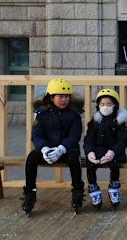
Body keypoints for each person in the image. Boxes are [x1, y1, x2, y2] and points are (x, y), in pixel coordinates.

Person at [21, 78, 85, 215]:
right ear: (51, 97)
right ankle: (29, 194)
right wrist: (44, 149)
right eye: (60, 97)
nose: (64, 100)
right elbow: (37, 135)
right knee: (31, 158)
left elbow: (75, 136)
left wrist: (61, 149)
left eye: (67, 97)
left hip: (67, 150)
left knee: (75, 160)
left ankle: (78, 192)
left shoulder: (74, 114)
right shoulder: (42, 114)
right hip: (48, 150)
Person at [84, 88, 127, 209]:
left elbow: (122, 140)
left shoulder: (119, 122)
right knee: (90, 164)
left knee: (114, 164)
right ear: (98, 106)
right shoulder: (94, 122)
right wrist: (89, 152)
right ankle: (93, 187)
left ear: (115, 105)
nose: (105, 107)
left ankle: (114, 187)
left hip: (115, 152)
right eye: (102, 104)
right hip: (98, 150)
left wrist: (112, 152)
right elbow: (88, 139)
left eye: (109, 104)